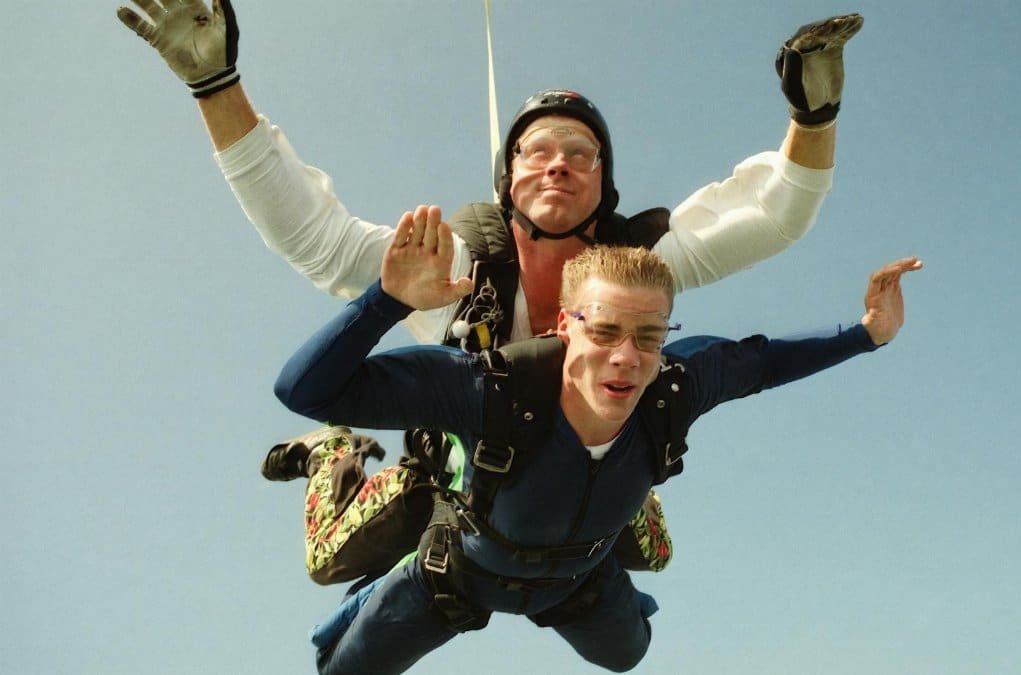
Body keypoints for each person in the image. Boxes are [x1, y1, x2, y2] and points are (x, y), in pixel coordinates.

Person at [116, 0, 865, 577]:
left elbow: (774, 215)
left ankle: (597, 467)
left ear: (605, 183)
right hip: (457, 480)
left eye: (581, 153)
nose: (558, 164)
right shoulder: (449, 271)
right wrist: (216, 86)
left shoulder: (638, 261)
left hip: (576, 478)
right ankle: (331, 457)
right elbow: (310, 233)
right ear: (507, 179)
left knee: (652, 550)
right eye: (535, 152)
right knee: (332, 558)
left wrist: (814, 115)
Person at [272, 208, 922, 673]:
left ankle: (626, 508)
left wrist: (867, 332)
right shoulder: (489, 387)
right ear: (565, 323)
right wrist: (385, 301)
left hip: (578, 578)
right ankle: (335, 463)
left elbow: (768, 362)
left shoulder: (678, 383)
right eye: (606, 331)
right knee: (339, 668)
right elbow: (306, 389)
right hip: (458, 576)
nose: (627, 359)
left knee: (627, 656)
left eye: (648, 337)